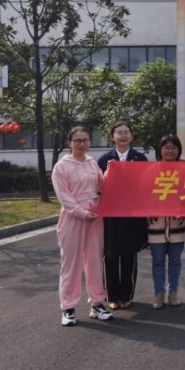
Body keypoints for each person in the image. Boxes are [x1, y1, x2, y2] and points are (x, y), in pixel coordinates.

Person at [52, 126, 113, 326]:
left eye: (85, 140)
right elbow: (64, 197)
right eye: (77, 140)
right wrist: (81, 213)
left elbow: (101, 185)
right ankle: (68, 307)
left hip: (94, 216)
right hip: (73, 217)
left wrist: (111, 171)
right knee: (71, 263)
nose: (82, 143)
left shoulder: (91, 163)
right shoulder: (61, 167)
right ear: (69, 143)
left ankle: (97, 303)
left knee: (94, 260)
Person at [97, 121, 148, 310]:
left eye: (127, 132)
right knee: (110, 256)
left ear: (132, 136)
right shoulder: (104, 159)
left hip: (132, 215)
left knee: (129, 256)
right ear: (112, 137)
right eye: (119, 132)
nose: (123, 135)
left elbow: (145, 185)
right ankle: (112, 295)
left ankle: (126, 296)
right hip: (111, 216)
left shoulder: (140, 158)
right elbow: (98, 186)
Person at [147, 135, 185, 309]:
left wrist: (183, 208)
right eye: (166, 147)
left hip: (178, 225)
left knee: (175, 260)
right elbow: (143, 194)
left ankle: (173, 292)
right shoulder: (150, 170)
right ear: (160, 150)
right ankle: (158, 293)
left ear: (179, 150)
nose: (170, 151)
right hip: (156, 224)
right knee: (157, 261)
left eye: (173, 147)